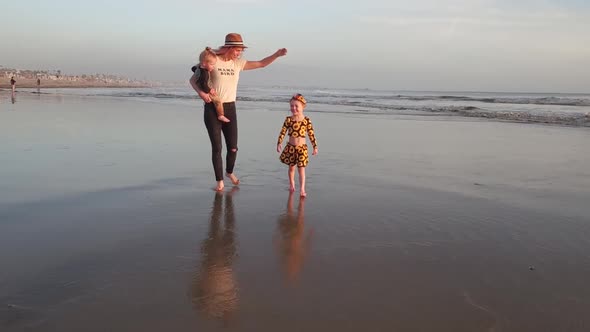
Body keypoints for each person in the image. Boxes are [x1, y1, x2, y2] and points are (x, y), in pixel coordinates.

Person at [190, 33, 288, 192]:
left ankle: (229, 172)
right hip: (212, 108)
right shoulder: (213, 60)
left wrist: (277, 54)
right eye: (237, 50)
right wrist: (202, 94)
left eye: (241, 50)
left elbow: (262, 63)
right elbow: (193, 80)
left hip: (230, 108)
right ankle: (220, 181)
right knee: (217, 147)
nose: (239, 53)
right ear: (229, 48)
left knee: (233, 147)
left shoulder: (238, 64)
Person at [276, 94, 318, 197]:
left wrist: (315, 146)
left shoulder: (306, 121)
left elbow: (311, 134)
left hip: (302, 149)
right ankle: (292, 183)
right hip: (291, 148)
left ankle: (302, 188)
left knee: (301, 170)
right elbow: (283, 132)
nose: (293, 108)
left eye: (296, 106)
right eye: (291, 106)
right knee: (291, 168)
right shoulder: (289, 120)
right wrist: (279, 143)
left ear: (302, 107)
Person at [191, 47, 230, 123]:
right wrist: (210, 90)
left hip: (203, 87)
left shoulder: (200, 68)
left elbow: (193, 69)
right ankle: (220, 115)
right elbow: (204, 83)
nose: (213, 67)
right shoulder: (204, 73)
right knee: (218, 101)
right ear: (204, 64)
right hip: (205, 89)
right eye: (212, 65)